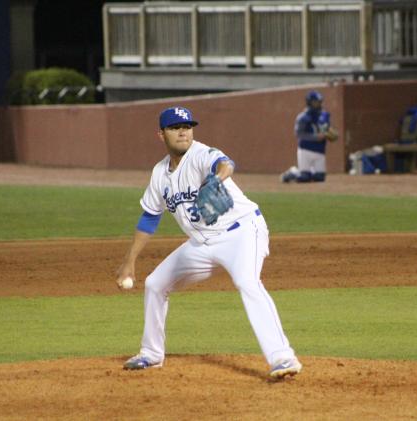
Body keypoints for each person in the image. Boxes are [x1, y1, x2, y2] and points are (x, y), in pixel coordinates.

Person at [116, 106, 301, 379]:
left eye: (187, 126)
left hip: (241, 232)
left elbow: (225, 164)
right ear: (161, 134)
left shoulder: (201, 154)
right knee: (155, 284)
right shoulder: (159, 174)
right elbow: (149, 218)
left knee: (248, 283)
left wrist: (217, 177)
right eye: (175, 127)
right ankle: (151, 354)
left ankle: (283, 358)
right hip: (202, 244)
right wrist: (129, 262)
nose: (183, 131)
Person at [281, 90, 335, 183]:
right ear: (309, 102)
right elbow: (299, 134)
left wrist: (331, 135)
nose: (318, 104)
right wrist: (316, 137)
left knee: (320, 178)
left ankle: (309, 172)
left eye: (319, 102)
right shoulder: (303, 117)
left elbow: (326, 129)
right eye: (315, 102)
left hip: (320, 150)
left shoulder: (324, 115)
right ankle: (293, 172)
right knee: (304, 178)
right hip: (306, 149)